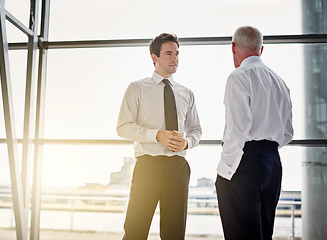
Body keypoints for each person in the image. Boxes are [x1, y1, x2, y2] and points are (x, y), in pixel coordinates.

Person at [117, 33, 202, 240]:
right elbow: (123, 127)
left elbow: (196, 130)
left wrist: (187, 142)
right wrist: (157, 136)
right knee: (135, 231)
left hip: (178, 168)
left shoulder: (186, 93)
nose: (175, 59)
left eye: (177, 54)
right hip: (148, 167)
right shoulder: (137, 88)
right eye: (168, 54)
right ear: (154, 57)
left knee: (174, 234)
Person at [215, 26, 294, 240]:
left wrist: (225, 169)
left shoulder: (239, 76)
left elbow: (237, 130)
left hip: (245, 163)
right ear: (261, 49)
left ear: (233, 47)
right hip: (273, 164)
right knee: (263, 233)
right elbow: (287, 133)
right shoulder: (280, 82)